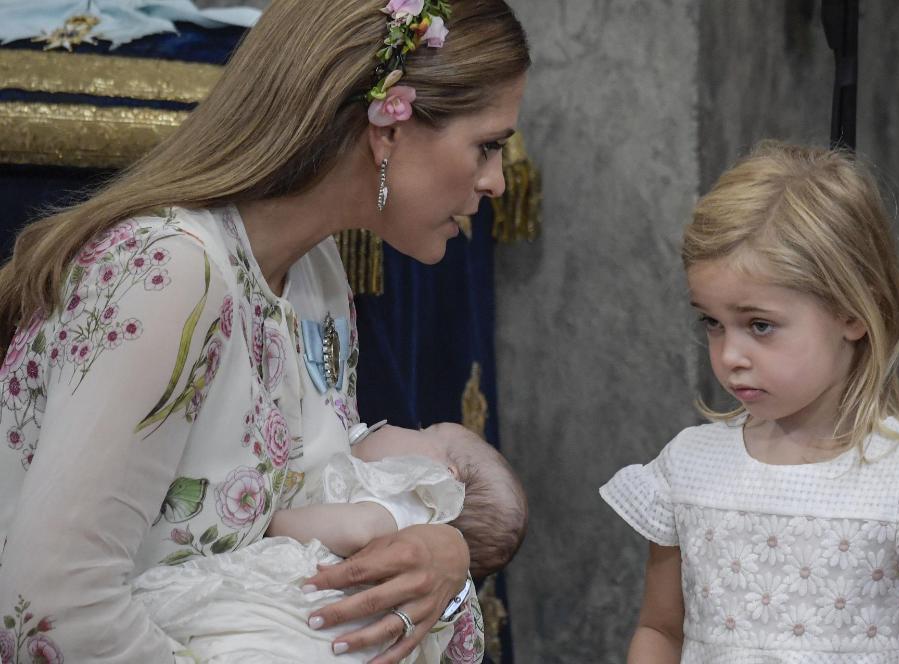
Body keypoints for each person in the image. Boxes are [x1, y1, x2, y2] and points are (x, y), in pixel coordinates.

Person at [0, 0, 529, 660]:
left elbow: (299, 496)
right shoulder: (169, 271)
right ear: (388, 128)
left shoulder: (316, 272)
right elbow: (52, 613)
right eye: (487, 145)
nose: (497, 182)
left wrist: (439, 549)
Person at [600, 142, 899, 663]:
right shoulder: (687, 469)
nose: (730, 354)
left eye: (760, 325)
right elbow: (661, 630)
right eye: (711, 322)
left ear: (853, 311)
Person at [131, 421, 528, 662]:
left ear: (442, 473)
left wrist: (276, 521)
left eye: (425, 431)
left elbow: (359, 530)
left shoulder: (414, 498)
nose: (406, 427)